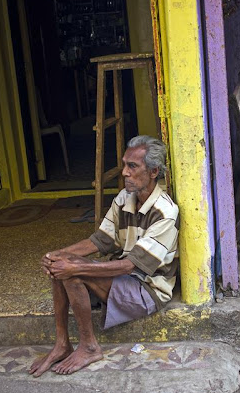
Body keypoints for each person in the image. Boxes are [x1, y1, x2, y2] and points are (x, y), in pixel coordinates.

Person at [29, 136, 179, 377]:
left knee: (73, 273)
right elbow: (100, 240)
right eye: (124, 165)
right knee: (61, 266)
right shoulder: (124, 198)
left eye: (133, 166)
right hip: (123, 278)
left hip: (147, 290)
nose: (125, 173)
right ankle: (62, 344)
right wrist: (58, 254)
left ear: (153, 172)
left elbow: (131, 265)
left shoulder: (165, 212)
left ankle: (89, 346)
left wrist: (74, 267)